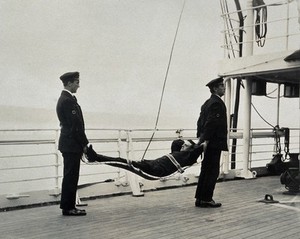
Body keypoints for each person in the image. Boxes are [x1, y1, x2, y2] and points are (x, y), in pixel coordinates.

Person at [85, 139, 203, 180]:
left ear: (191, 149)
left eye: (185, 145)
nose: (182, 146)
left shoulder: (189, 157)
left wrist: (199, 145)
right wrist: (184, 143)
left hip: (155, 170)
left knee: (122, 162)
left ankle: (94, 157)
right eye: (182, 144)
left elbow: (201, 147)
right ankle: (94, 157)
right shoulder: (178, 152)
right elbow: (176, 143)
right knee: (121, 161)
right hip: (150, 164)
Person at [56, 71, 89, 216]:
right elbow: (75, 126)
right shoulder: (67, 100)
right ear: (69, 83)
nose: (78, 85)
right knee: (71, 176)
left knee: (70, 175)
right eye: (77, 82)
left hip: (69, 144)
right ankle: (68, 208)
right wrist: (85, 144)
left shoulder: (65, 99)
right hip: (71, 145)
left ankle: (68, 205)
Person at [194, 77, 228, 208]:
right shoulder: (217, 103)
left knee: (205, 170)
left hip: (207, 142)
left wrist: (201, 139)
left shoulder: (207, 103)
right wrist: (206, 140)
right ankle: (207, 199)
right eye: (221, 86)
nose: (224, 88)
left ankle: (200, 199)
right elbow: (211, 124)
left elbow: (200, 122)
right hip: (213, 144)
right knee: (212, 171)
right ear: (215, 88)